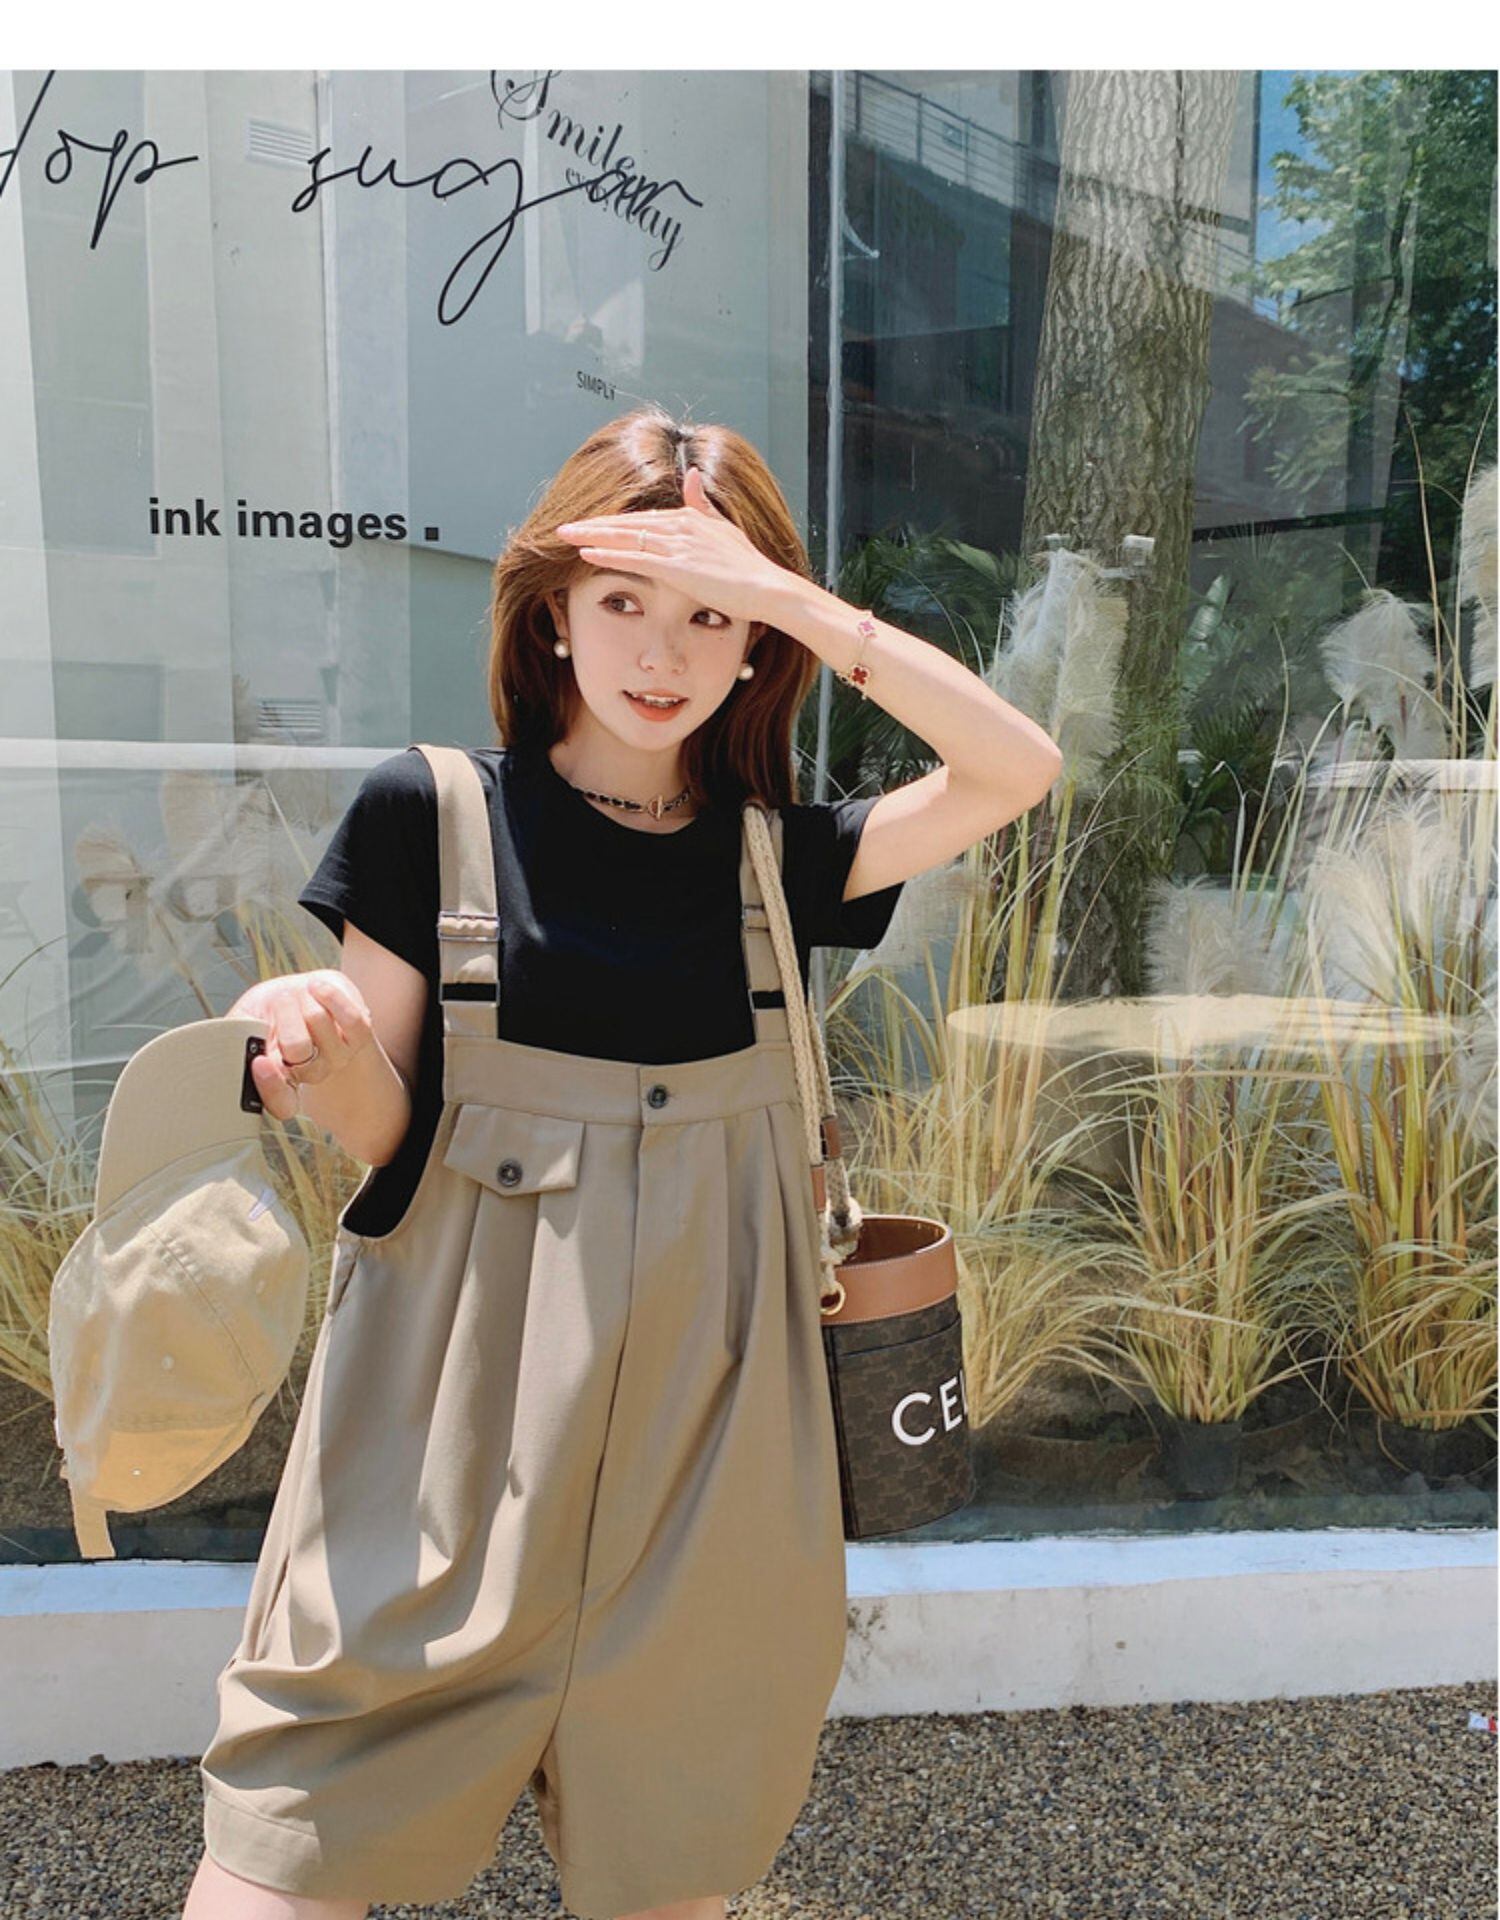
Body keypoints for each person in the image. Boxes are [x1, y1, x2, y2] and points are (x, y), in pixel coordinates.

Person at [182, 406, 1062, 1920]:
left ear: (758, 641)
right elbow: (389, 1137)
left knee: (669, 1881)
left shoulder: (777, 863)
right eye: (624, 602)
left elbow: (1015, 767)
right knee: (284, 1855)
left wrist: (803, 604)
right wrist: (310, 1043)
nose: (663, 652)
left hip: (715, 1472)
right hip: (443, 1448)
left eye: (710, 615)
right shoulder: (429, 815)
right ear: (554, 614)